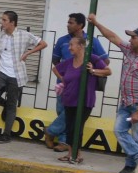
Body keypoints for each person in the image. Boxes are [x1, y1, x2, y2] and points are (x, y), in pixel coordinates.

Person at [87, 15, 138, 173]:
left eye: (133, 37)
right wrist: (97, 22)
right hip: (126, 103)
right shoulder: (129, 50)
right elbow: (112, 36)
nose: (130, 40)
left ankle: (130, 167)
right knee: (119, 131)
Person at [45, 13, 108, 153]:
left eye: (71, 22)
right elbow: (56, 61)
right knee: (63, 111)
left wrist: (92, 71)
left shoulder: (91, 41)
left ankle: (51, 131)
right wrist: (64, 77)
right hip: (65, 84)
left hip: (83, 85)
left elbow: (105, 62)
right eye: (68, 22)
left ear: (80, 25)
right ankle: (63, 141)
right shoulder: (62, 41)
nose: (68, 25)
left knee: (74, 115)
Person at [0, 10, 47, 143]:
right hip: (1, 72)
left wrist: (28, 53)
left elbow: (43, 43)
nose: (1, 22)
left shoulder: (24, 35)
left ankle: (6, 134)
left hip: (16, 75)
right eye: (1, 20)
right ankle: (6, 106)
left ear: (12, 23)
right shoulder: (0, 36)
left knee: (12, 104)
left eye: (4, 20)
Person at [51, 35, 111, 164]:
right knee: (69, 128)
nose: (69, 47)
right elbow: (55, 69)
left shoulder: (92, 59)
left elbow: (108, 71)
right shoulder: (69, 61)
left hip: (85, 100)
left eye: (72, 45)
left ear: (81, 46)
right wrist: (63, 80)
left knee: (77, 127)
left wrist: (93, 71)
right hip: (69, 99)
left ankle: (76, 154)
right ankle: (72, 154)